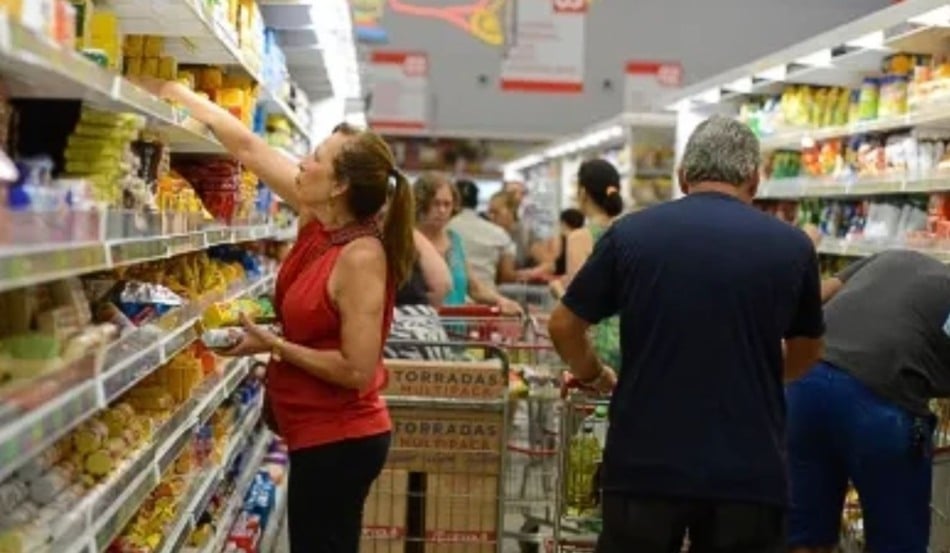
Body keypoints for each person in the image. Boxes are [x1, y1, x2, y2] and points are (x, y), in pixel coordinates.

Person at [133, 77, 415, 553]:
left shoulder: (362, 256)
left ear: (340, 185)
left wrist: (275, 346)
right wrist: (176, 92)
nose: (303, 163)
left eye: (316, 157)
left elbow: (356, 369)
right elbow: (249, 148)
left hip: (341, 439)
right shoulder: (319, 218)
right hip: (312, 432)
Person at [548, 115, 824, 553]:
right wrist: (758, 377)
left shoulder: (631, 235)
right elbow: (807, 349)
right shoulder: (792, 247)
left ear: (682, 176)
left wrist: (594, 374)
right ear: (754, 181)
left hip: (643, 463)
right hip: (749, 467)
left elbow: (564, 325)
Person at [786, 249, 950, 553]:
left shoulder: (893, 257)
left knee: (805, 537)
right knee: (897, 542)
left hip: (805, 386)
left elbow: (816, 297)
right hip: (880, 403)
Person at [550, 159, 625, 371]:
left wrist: (556, 289)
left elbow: (578, 303)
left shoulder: (579, 238)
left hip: (597, 342)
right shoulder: (630, 232)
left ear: (583, 193)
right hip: (630, 338)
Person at [413, 172, 521, 313]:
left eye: (447, 204)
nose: (442, 210)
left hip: (457, 323)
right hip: (419, 323)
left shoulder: (454, 241)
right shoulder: (409, 241)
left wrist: (502, 301)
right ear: (421, 204)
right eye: (436, 203)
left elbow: (475, 288)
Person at [449, 179, 518, 287]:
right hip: (487, 293)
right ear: (476, 202)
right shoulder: (499, 234)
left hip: (451, 294)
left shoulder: (443, 230)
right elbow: (507, 275)